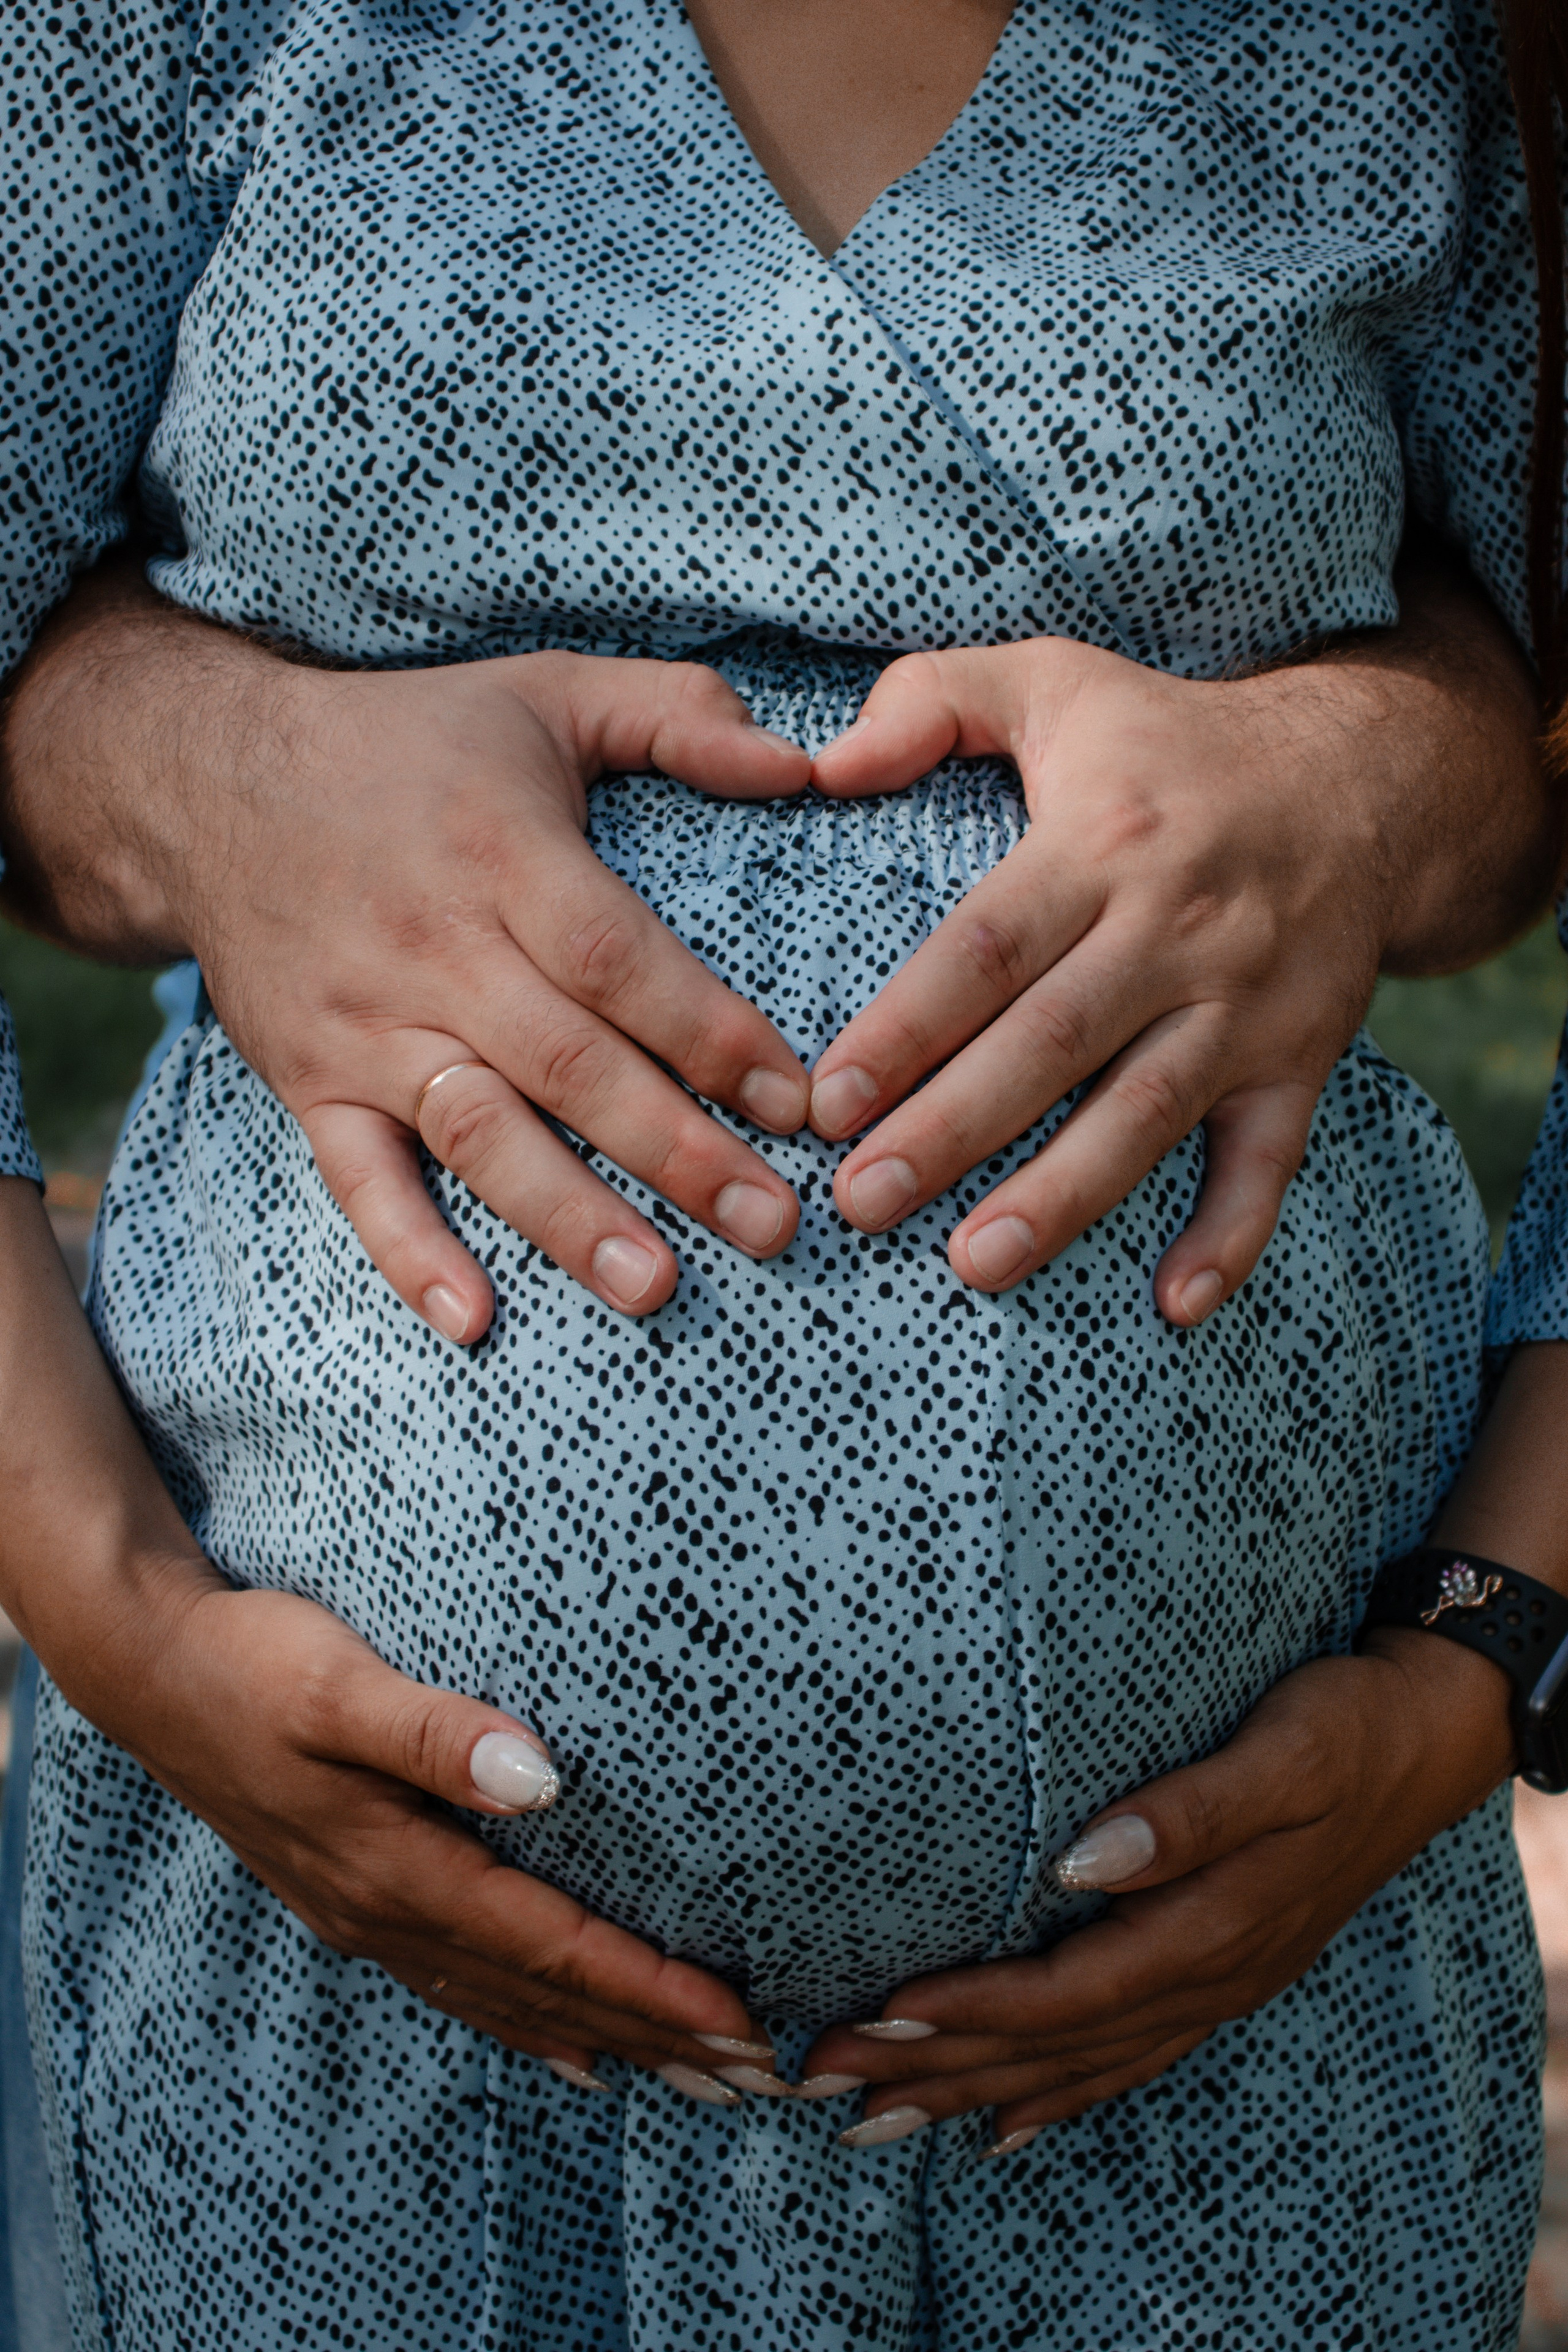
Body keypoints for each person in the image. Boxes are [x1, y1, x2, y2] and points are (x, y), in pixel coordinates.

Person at [1, 1, 1566, 2345]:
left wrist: (1494, 1637)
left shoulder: (1422, 45)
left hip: (1242, 2084)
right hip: (343, 2086)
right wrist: (119, 1619)